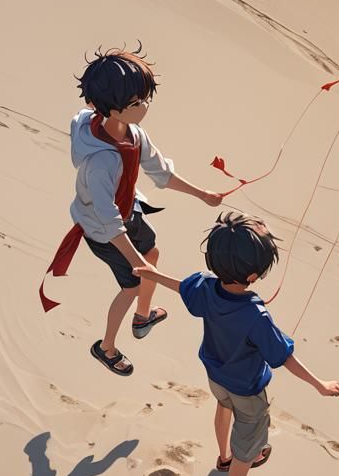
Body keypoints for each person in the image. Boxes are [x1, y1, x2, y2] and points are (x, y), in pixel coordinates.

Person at [134, 212, 339, 476]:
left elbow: (182, 288)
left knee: (222, 407)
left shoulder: (206, 286)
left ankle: (223, 457)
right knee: (248, 447)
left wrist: (153, 274)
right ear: (255, 275)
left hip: (215, 375)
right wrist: (319, 384)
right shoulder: (255, 315)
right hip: (247, 389)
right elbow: (283, 357)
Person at [39, 46, 222, 376]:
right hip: (102, 231)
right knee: (132, 284)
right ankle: (106, 347)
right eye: (135, 103)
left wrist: (201, 193)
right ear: (106, 107)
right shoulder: (100, 161)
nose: (144, 107)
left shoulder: (135, 134)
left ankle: (143, 316)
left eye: (144, 99)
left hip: (129, 213)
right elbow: (106, 217)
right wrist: (134, 262)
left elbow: (161, 173)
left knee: (152, 252)